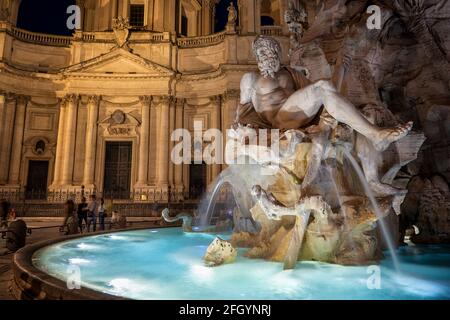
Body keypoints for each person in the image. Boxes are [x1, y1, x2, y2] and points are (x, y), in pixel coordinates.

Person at [236, 36, 412, 152]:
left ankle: (374, 134)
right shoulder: (251, 79)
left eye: (271, 52)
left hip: (297, 114)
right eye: (263, 53)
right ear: (257, 56)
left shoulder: (289, 72)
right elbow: (242, 113)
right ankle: (375, 134)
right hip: (278, 120)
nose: (267, 56)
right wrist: (243, 131)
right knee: (322, 86)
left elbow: (320, 92)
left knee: (323, 86)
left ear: (277, 54)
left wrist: (340, 70)